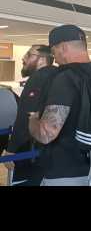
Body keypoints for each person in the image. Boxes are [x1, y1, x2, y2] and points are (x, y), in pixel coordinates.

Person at [28, 25, 91, 186]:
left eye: (54, 51)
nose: (54, 57)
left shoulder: (64, 79)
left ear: (63, 47)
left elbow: (46, 133)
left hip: (64, 175)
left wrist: (33, 120)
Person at [3, 45, 57, 186]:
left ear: (42, 60)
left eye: (28, 54)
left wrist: (11, 150)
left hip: (33, 151)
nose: (23, 58)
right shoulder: (59, 75)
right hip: (54, 152)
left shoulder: (38, 78)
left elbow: (26, 117)